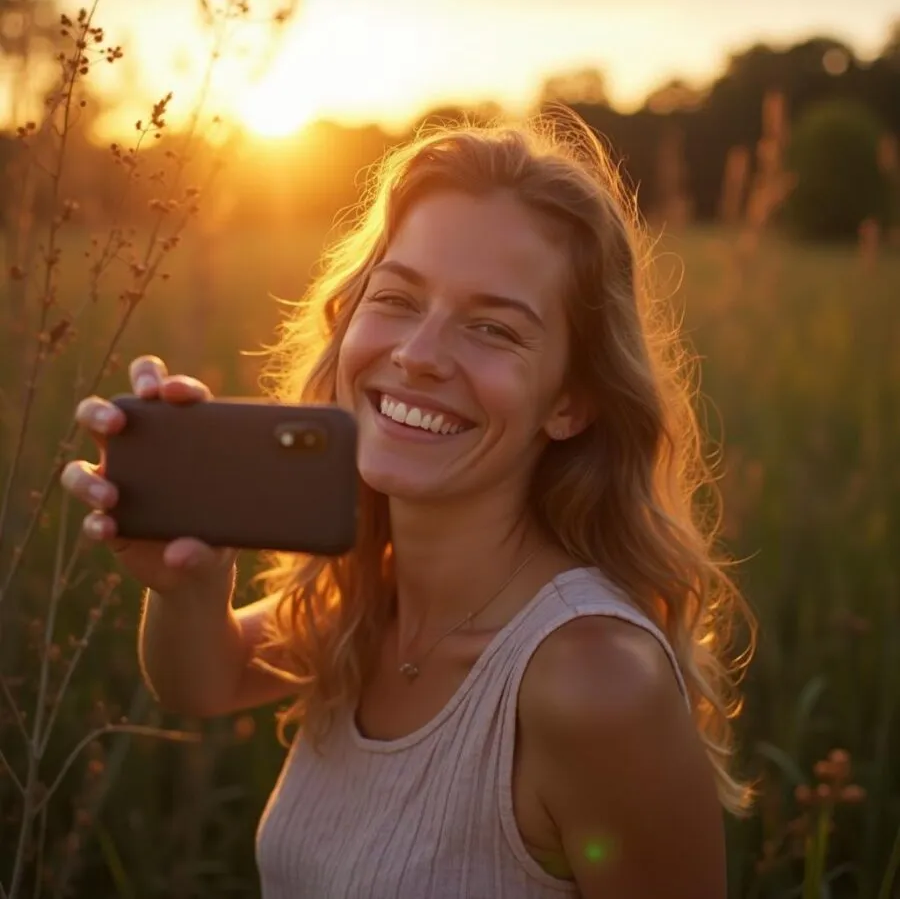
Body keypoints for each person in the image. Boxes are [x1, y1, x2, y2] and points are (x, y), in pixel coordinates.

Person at [62, 112, 756, 898]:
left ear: (570, 401)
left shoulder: (593, 683)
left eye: (493, 328)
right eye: (396, 297)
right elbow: (202, 684)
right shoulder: (372, 592)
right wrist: (185, 584)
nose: (418, 356)